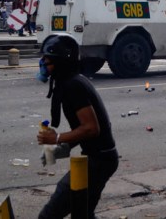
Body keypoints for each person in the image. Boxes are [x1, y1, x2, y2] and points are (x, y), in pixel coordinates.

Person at [36, 35, 118, 219]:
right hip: (101, 157)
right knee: (84, 214)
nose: (42, 64)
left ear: (60, 62)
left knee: (50, 214)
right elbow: (85, 130)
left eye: (47, 61)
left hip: (99, 160)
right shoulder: (70, 81)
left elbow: (91, 128)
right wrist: (62, 147)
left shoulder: (74, 86)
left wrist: (56, 139)